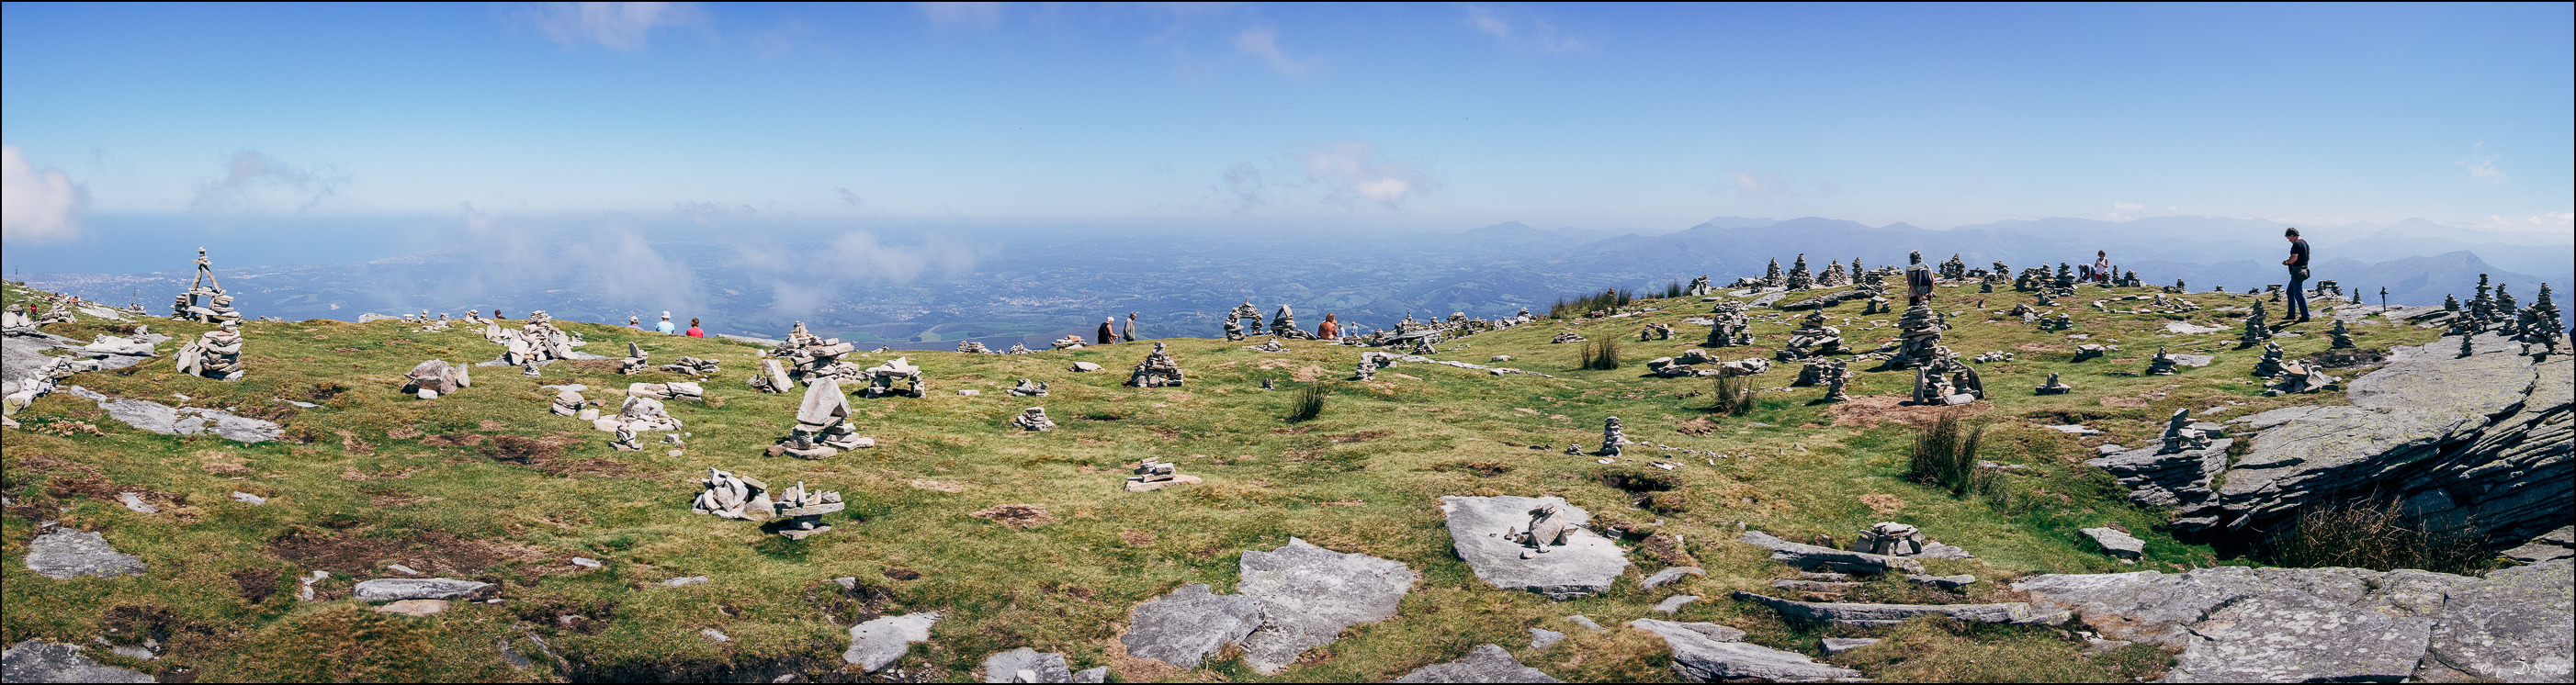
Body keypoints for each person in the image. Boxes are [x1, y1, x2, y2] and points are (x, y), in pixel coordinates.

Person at [2281, 228, 2311, 323]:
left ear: (2293, 235)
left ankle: (2305, 316)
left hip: (2297, 271)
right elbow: (2308, 258)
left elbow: (2294, 258)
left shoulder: (2296, 244)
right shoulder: (2305, 243)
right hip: (2304, 270)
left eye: (2289, 237)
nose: (2289, 240)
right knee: (2290, 292)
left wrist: (2287, 262)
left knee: (2298, 294)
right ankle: (2291, 315)